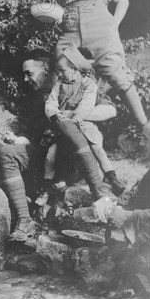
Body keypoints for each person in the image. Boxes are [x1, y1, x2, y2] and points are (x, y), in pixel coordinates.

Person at [0, 50, 116, 241]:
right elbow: (30, 136)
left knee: (66, 126)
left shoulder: (79, 86)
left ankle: (99, 191)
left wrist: (69, 116)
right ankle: (25, 220)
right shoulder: (33, 100)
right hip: (46, 156)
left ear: (46, 70)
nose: (26, 79)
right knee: (6, 153)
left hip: (72, 156)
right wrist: (18, 139)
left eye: (29, 73)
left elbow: (110, 110)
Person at [55, 0, 147, 130]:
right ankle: (68, 126)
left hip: (99, 26)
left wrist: (114, 23)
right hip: (71, 29)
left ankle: (144, 127)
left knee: (116, 76)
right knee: (63, 67)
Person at [44, 45, 125, 196]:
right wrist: (55, 114)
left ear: (75, 69)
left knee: (98, 150)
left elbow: (86, 104)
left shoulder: (88, 84)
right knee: (51, 154)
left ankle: (112, 179)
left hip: (83, 124)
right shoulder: (60, 84)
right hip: (63, 126)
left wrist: (77, 116)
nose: (60, 74)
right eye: (59, 71)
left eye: (63, 71)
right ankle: (49, 185)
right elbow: (51, 102)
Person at [104, 119, 150, 299]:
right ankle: (143, 292)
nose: (141, 143)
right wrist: (113, 206)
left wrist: (130, 216)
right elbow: (137, 202)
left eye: (146, 138)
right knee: (116, 234)